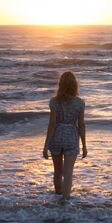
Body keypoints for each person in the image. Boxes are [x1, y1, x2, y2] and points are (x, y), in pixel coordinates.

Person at [43, 71, 87, 201]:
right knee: (68, 173)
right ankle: (65, 201)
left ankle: (58, 196)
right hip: (71, 137)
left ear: (60, 85)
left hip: (56, 136)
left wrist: (45, 146)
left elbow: (52, 124)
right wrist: (84, 145)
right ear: (75, 85)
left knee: (57, 171)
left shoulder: (54, 102)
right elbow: (82, 125)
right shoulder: (80, 103)